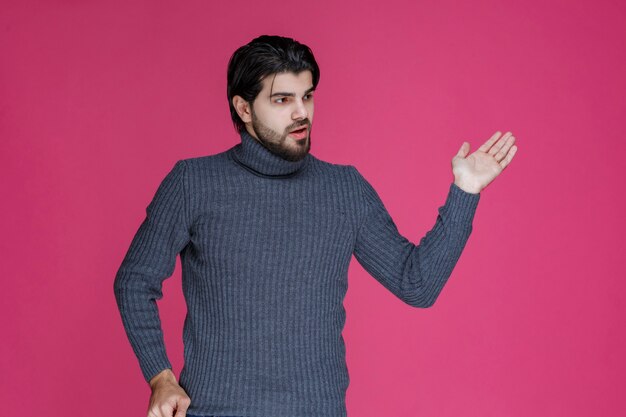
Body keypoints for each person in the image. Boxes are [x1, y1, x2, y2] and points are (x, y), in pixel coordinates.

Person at [113, 35, 517, 417]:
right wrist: (160, 377)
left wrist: (465, 191)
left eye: (307, 96)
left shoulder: (344, 189)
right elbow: (134, 280)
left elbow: (417, 285)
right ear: (243, 108)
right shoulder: (193, 183)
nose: (301, 112)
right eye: (282, 99)